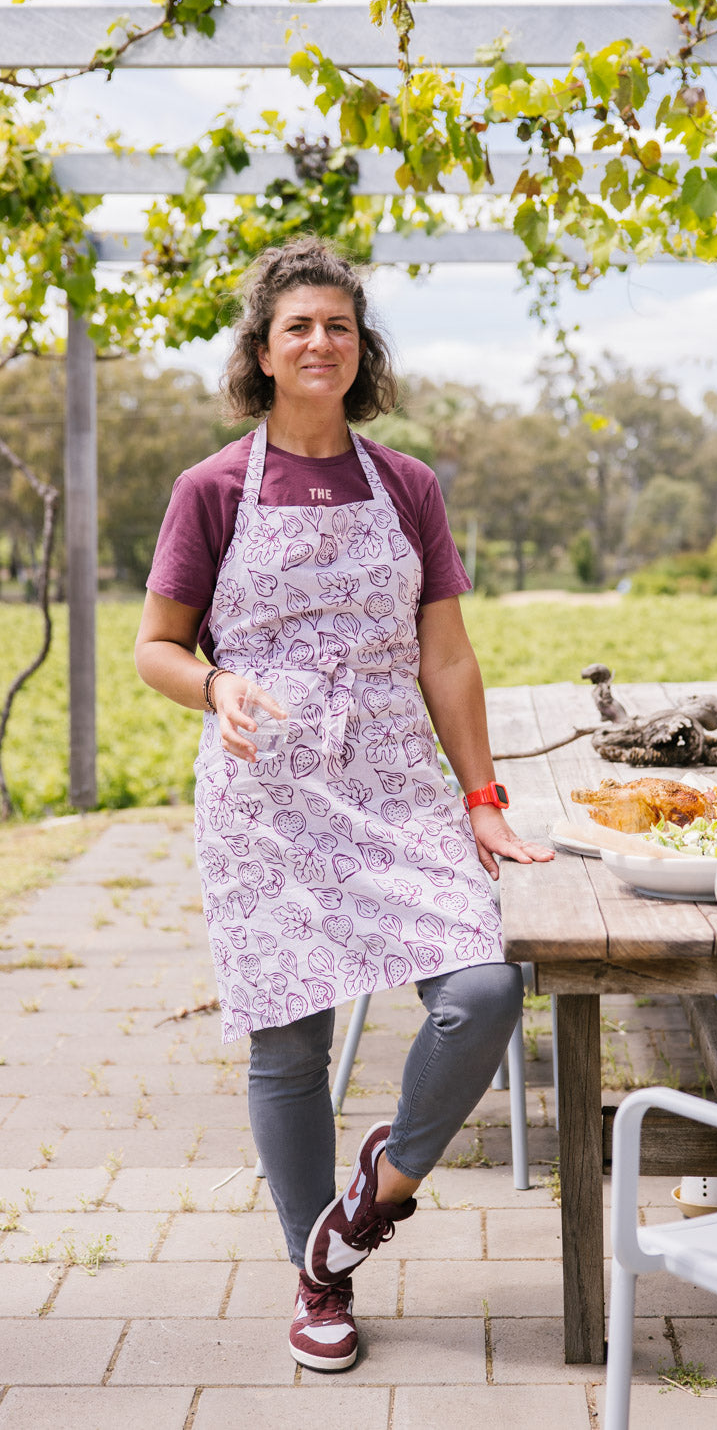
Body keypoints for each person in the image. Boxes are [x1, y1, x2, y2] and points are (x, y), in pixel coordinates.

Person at [135, 236, 553, 1371]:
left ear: (359, 348)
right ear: (262, 354)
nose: (320, 342)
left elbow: (450, 659)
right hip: (265, 790)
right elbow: (156, 649)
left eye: (338, 325)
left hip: (392, 780)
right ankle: (314, 1276)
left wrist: (480, 797)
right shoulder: (212, 486)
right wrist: (217, 682)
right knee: (289, 1044)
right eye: (296, 327)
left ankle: (373, 1193)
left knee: (480, 983)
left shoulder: (406, 483)